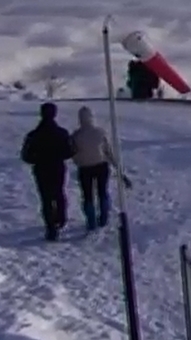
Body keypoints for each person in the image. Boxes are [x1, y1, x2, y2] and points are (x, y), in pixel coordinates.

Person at [19, 102, 73, 240]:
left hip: (41, 169)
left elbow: (26, 155)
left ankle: (50, 227)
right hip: (57, 167)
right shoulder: (62, 133)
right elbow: (69, 152)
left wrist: (37, 159)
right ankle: (60, 219)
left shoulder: (34, 135)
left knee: (46, 198)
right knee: (59, 193)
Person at [70, 105, 128, 230]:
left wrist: (78, 161)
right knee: (102, 192)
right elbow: (108, 151)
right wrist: (116, 166)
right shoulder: (100, 132)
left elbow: (73, 153)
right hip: (101, 165)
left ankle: (91, 220)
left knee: (87, 195)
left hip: (85, 168)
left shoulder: (76, 135)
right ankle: (104, 217)